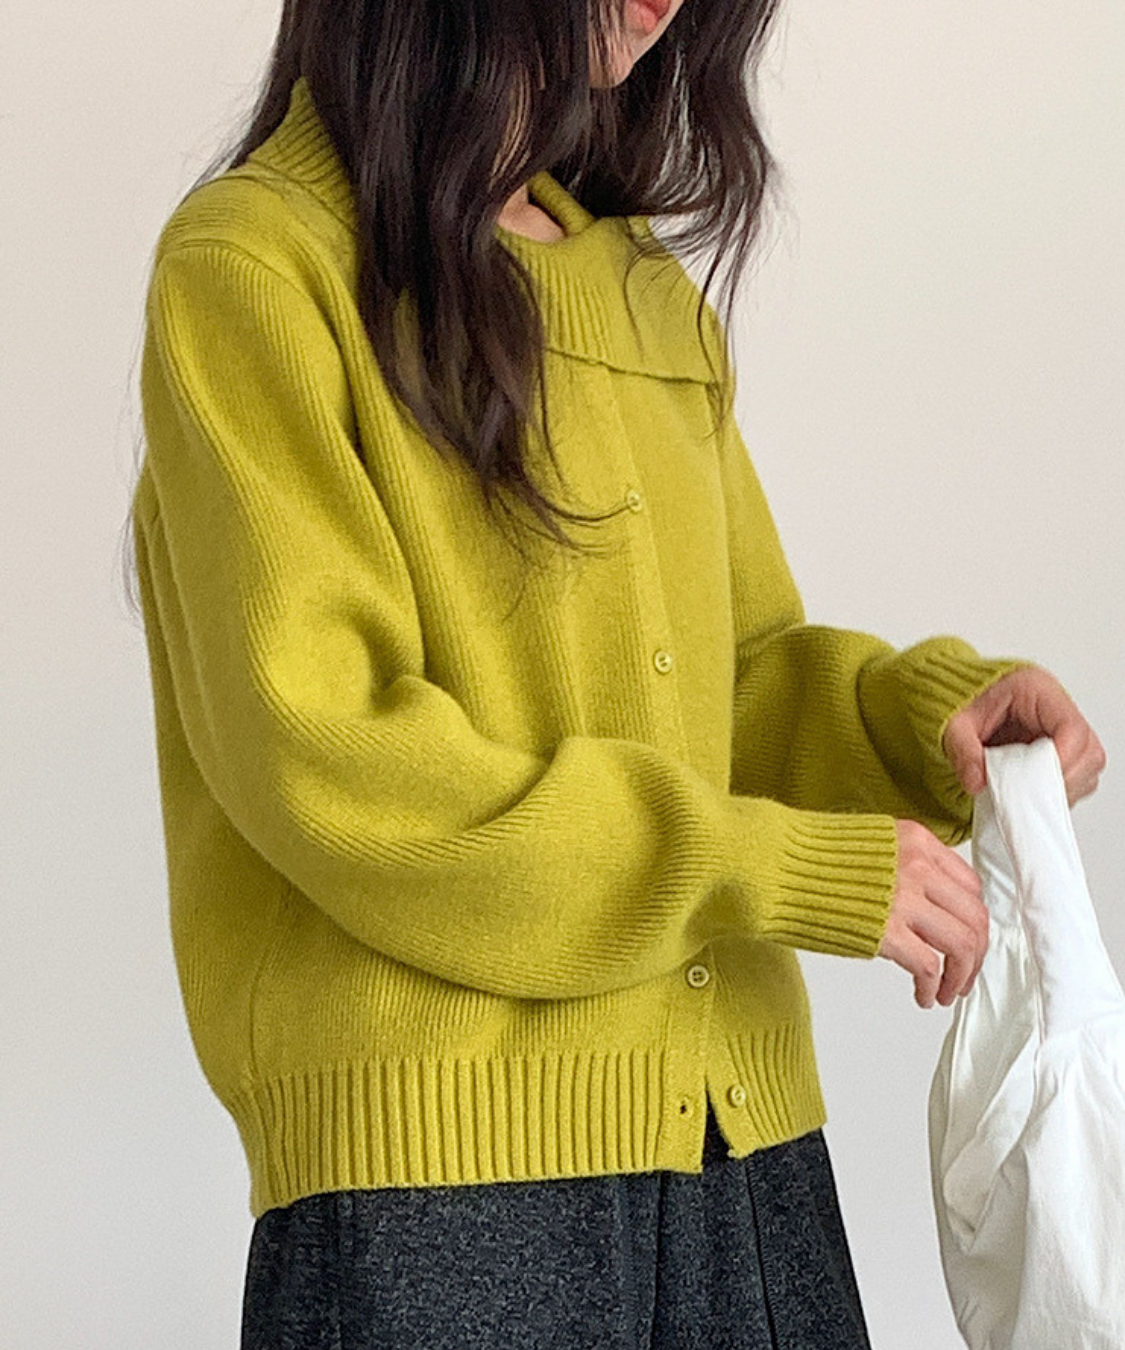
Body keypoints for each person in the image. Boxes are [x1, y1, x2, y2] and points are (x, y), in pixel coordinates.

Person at [124, 0, 1106, 1346]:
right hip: (437, 1190)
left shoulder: (645, 293)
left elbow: (737, 683)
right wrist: (773, 867)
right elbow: (337, 757)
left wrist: (921, 724)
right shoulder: (257, 268)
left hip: (742, 1154)